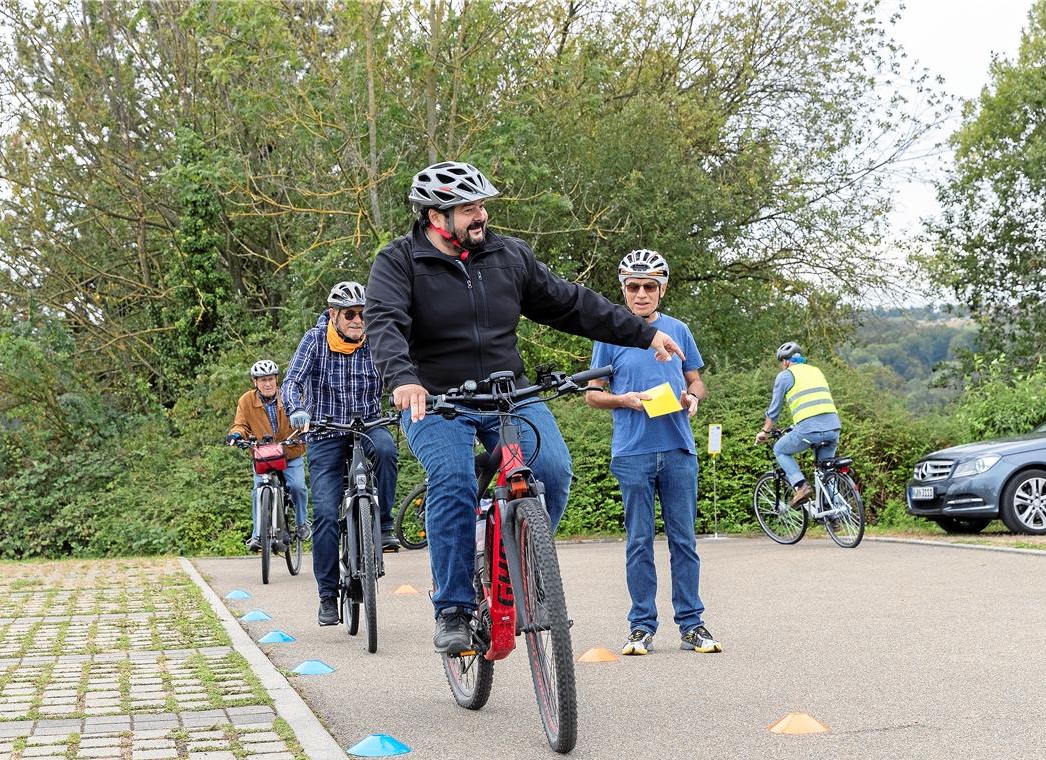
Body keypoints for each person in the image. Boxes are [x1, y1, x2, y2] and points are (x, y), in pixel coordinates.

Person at [364, 160, 686, 654]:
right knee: (452, 479)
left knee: (554, 470)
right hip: (436, 398)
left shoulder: (508, 256)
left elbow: (572, 304)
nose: (480, 215)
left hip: (507, 392)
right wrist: (403, 378)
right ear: (435, 216)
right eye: (468, 208)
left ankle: (525, 568)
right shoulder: (399, 262)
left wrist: (644, 335)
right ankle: (453, 606)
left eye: (481, 206)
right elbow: (384, 322)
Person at [584, 250, 721, 656]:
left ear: (662, 290)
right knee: (639, 541)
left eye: (649, 287)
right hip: (632, 452)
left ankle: (692, 625)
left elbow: (695, 381)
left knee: (684, 540)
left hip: (678, 448)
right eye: (633, 287)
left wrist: (693, 399)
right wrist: (623, 400)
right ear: (624, 290)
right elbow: (592, 396)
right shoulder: (609, 335)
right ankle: (641, 626)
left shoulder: (679, 329)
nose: (641, 294)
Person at [282, 281, 400, 627]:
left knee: (387, 450)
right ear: (333, 314)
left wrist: (401, 393)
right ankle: (327, 595)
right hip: (324, 431)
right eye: (350, 313)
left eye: (363, 313)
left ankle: (382, 524)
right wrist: (296, 409)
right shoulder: (315, 340)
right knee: (323, 512)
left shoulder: (376, 340)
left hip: (368, 425)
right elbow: (293, 382)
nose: (357, 320)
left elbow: (397, 372)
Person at [227, 360, 309, 552]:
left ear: (276, 379)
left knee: (297, 487)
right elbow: (240, 425)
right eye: (263, 380)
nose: (268, 384)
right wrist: (237, 435)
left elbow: (305, 417)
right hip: (263, 455)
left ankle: (302, 523)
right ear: (255, 382)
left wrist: (305, 431)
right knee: (258, 490)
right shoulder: (246, 401)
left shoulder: (289, 396)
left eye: (271, 379)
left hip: (290, 452)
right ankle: (257, 535)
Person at [754, 342, 842, 505]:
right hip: (833, 428)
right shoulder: (816, 371)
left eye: (781, 363)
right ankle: (834, 514)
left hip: (809, 430)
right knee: (825, 470)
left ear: (786, 361)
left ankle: (801, 487)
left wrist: (765, 432)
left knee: (779, 449)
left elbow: (774, 409)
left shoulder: (785, 375)